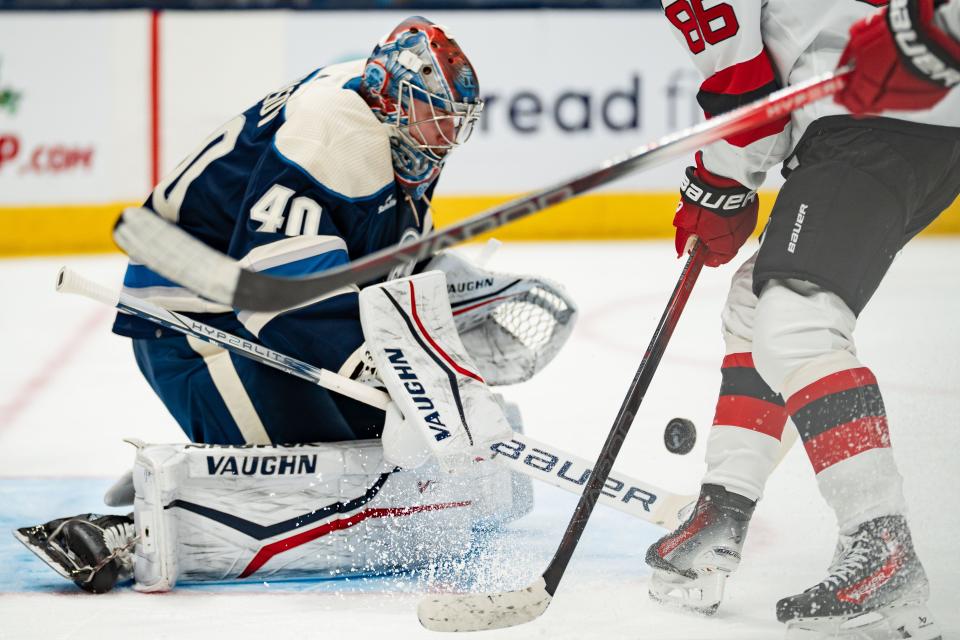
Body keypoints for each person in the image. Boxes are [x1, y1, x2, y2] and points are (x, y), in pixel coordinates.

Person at [15, 16, 575, 594]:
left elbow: (369, 255)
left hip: (268, 316)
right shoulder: (334, 132)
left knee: (395, 463)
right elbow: (277, 299)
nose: (441, 133)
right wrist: (398, 378)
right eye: (430, 113)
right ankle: (131, 529)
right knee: (328, 486)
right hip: (199, 324)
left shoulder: (394, 126)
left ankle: (214, 471)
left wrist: (448, 302)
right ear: (388, 95)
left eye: (451, 120)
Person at [645, 0, 959, 638]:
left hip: (879, 120)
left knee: (798, 322)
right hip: (911, 117)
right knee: (755, 306)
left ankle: (882, 551)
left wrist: (720, 187)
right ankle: (723, 511)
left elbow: (747, 94)